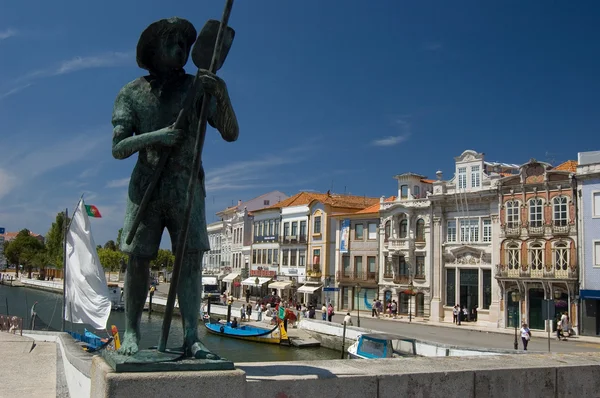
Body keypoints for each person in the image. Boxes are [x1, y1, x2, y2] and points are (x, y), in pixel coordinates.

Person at [111, 17, 239, 357]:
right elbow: (118, 148)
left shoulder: (198, 86)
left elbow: (230, 132)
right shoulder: (132, 93)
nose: (180, 49)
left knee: (191, 263)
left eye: (184, 43)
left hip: (187, 190)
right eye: (172, 42)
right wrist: (158, 137)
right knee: (138, 259)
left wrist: (221, 93)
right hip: (146, 190)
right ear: (153, 50)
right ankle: (133, 332)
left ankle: (190, 339)